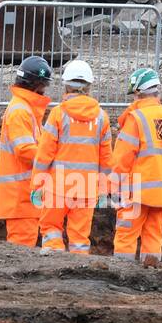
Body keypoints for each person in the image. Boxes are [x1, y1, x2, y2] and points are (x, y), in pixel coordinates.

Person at [32, 59, 112, 254]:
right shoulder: (101, 117)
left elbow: (45, 152)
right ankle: (78, 273)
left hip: (57, 187)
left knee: (51, 229)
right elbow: (107, 159)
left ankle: (54, 264)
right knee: (79, 236)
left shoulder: (59, 114)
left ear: (66, 85)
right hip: (86, 189)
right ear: (89, 86)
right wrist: (105, 188)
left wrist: (36, 183)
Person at [111, 68, 162, 265]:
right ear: (157, 91)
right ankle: (151, 276)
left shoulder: (136, 119)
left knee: (126, 235)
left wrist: (115, 190)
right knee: (154, 236)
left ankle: (122, 274)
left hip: (135, 193)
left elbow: (121, 160)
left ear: (137, 93)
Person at [0, 56, 53, 247]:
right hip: (20, 198)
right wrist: (53, 158)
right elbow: (26, 150)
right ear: (38, 85)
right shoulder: (21, 111)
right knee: (21, 251)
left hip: (25, 197)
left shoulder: (25, 108)